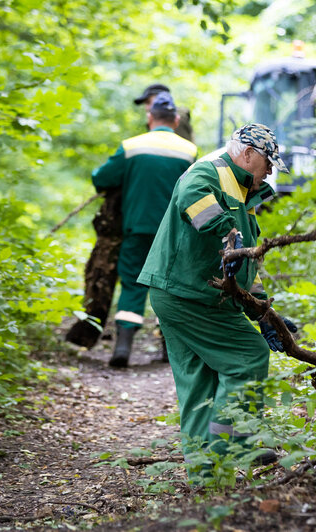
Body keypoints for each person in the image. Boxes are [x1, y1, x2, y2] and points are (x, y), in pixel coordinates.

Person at [138, 123, 299, 472]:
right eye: (267, 162)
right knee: (248, 357)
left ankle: (205, 473)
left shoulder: (243, 193)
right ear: (247, 153)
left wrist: (263, 314)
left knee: (199, 382)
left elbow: (246, 267)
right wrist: (227, 231)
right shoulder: (208, 172)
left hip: (183, 292)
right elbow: (191, 198)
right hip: (187, 293)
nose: (270, 170)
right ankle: (233, 447)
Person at [91, 92, 198, 368]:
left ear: (150, 118)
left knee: (132, 282)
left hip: (136, 228)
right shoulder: (189, 151)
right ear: (175, 120)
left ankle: (123, 346)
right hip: (173, 232)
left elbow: (101, 178)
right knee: (170, 286)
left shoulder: (131, 147)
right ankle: (168, 350)